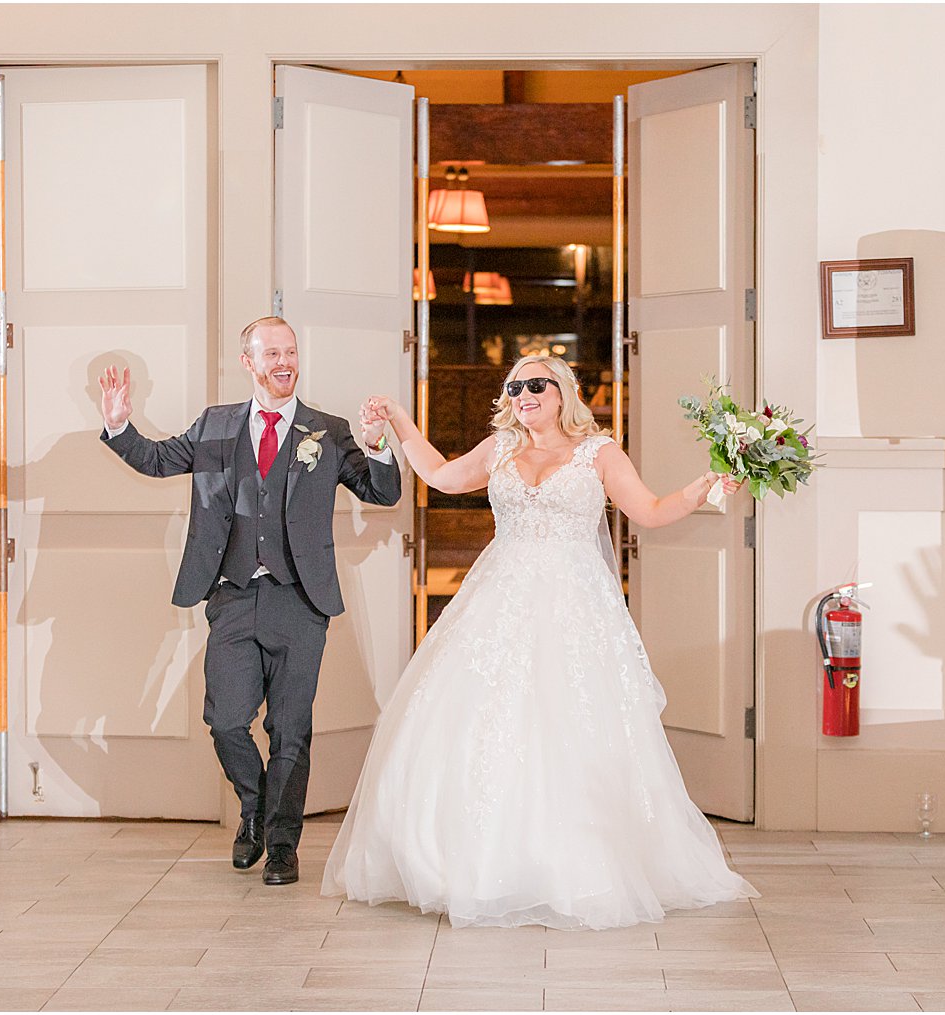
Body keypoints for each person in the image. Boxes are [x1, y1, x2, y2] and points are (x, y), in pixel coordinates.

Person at [322, 353, 759, 929]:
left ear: (564, 393)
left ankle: (573, 866)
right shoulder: (500, 448)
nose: (524, 394)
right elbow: (443, 477)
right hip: (498, 599)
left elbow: (649, 512)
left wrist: (700, 489)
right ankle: (475, 865)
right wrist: (402, 421)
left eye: (537, 384)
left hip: (575, 608)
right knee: (482, 719)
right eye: (515, 385)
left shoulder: (599, 453)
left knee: (570, 721)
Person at [97, 316, 401, 886]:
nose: (284, 362)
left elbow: (381, 491)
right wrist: (120, 428)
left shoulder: (326, 431)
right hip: (233, 595)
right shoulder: (215, 425)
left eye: (291, 352)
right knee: (226, 720)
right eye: (272, 353)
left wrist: (379, 444)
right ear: (249, 362)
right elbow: (160, 460)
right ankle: (256, 806)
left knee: (291, 728)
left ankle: (282, 846)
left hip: (300, 600)